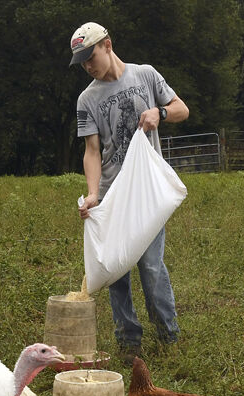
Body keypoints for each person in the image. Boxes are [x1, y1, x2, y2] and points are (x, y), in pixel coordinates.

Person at [69, 22, 189, 364]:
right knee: (116, 273)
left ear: (107, 45)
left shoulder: (146, 75)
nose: (88, 67)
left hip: (145, 194)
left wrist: (159, 113)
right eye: (82, 63)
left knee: (151, 266)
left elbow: (182, 109)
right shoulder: (87, 99)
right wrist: (93, 194)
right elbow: (92, 151)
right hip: (110, 195)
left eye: (90, 57)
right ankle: (129, 342)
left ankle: (168, 336)